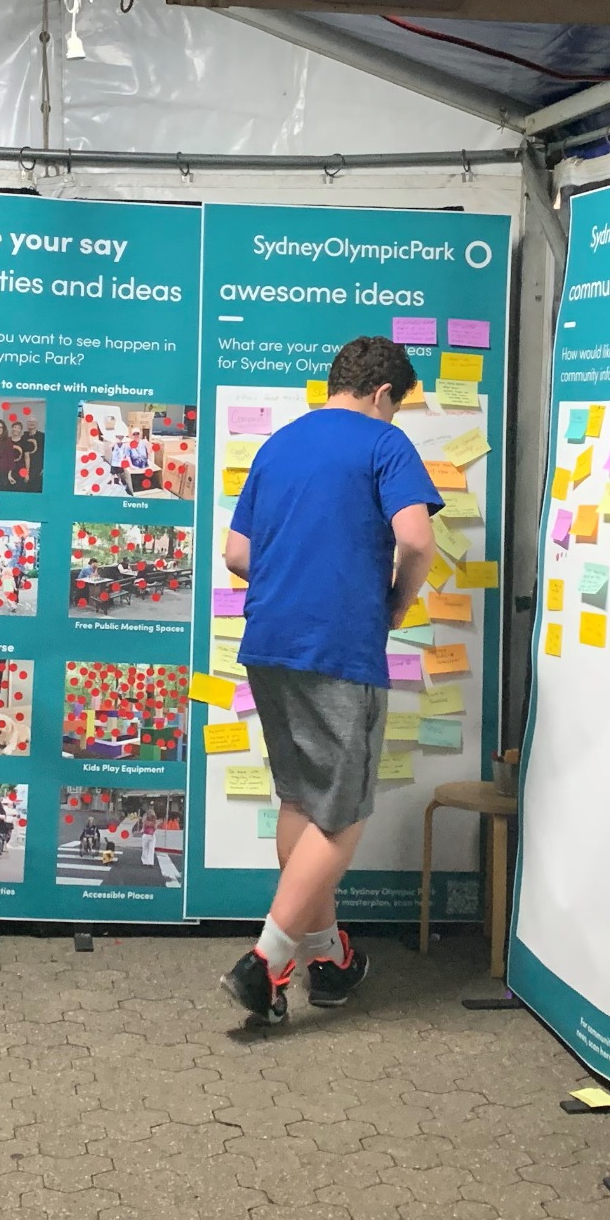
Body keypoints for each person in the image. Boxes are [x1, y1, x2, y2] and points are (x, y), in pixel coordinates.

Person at [219, 335, 440, 1024]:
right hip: (338, 646)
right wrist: (396, 603)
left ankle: (328, 959)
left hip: (269, 642)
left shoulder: (278, 445)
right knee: (342, 815)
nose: (394, 417)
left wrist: (294, 581)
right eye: (396, 406)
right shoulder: (384, 443)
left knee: (303, 801)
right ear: (383, 394)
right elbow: (417, 540)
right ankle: (265, 962)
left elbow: (236, 553)